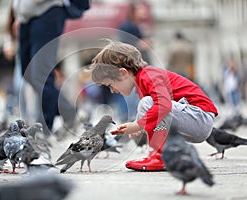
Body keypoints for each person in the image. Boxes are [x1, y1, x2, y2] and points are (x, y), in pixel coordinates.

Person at [89, 40, 218, 171]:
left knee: (149, 103)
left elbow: (163, 104)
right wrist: (138, 127)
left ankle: (160, 157)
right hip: (194, 119)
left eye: (110, 84)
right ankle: (164, 156)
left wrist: (137, 124)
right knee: (148, 104)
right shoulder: (142, 82)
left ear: (123, 73)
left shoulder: (149, 75)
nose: (112, 90)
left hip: (200, 117)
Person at [13, 0, 89, 135]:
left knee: (41, 75)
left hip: (47, 11)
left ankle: (44, 127)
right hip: (27, 16)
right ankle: (71, 113)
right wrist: (20, 14)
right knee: (28, 73)